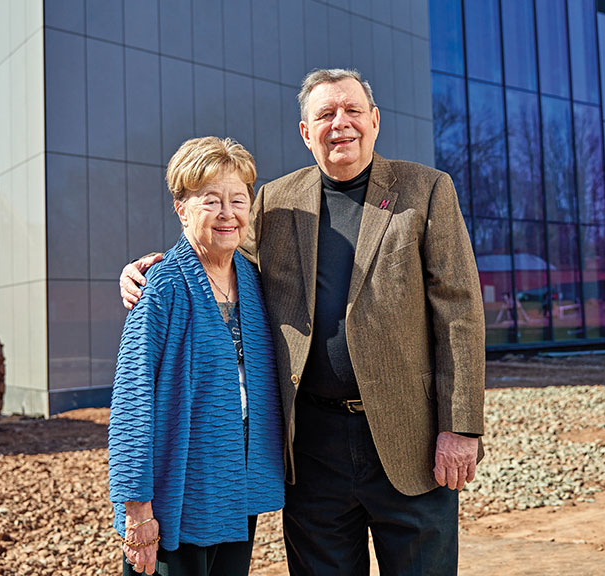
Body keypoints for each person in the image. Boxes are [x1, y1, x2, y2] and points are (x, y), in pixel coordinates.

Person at [121, 69, 485, 575]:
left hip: (411, 442)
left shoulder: (426, 192)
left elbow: (460, 314)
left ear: (375, 120)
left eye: (353, 111)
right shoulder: (275, 201)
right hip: (312, 448)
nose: (342, 124)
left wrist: (460, 426)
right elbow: (216, 256)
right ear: (305, 131)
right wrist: (151, 266)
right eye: (326, 115)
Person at [108, 136, 284, 576]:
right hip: (178, 493)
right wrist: (137, 510)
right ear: (181, 208)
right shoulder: (162, 287)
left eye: (238, 199)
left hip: (236, 484)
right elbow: (132, 405)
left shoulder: (255, 280)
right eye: (211, 200)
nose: (228, 213)